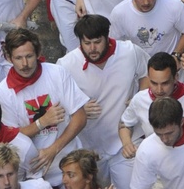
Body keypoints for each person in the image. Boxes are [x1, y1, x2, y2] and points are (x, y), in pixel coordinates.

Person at [58, 13, 146, 189]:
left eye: (97, 42)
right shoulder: (66, 65)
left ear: (107, 37)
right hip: (89, 150)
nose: (92, 48)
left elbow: (146, 74)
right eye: (87, 43)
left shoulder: (130, 52)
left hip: (127, 143)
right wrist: (78, 109)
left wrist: (140, 97)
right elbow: (60, 106)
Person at [0, 29, 88, 186]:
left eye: (29, 56)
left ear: (38, 53)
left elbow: (80, 117)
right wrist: (41, 122)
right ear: (9, 58)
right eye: (18, 58)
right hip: (35, 174)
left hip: (71, 163)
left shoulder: (57, 73)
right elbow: (10, 137)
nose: (25, 64)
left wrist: (54, 149)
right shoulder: (3, 92)